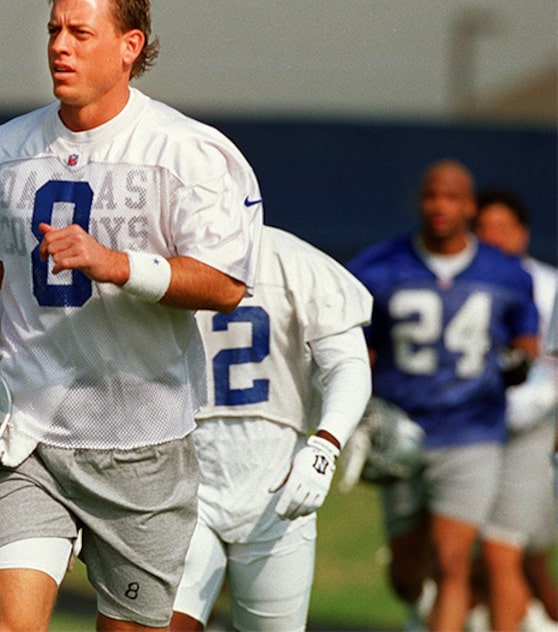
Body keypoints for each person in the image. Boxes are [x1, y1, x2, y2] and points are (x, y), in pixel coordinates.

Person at [0, 0, 263, 631]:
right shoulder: (5, 148)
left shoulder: (188, 152)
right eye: (55, 30)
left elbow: (226, 286)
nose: (59, 46)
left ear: (129, 45)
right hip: (27, 436)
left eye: (80, 33)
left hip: (142, 444)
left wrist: (117, 265)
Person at [346, 159, 539, 632]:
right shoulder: (377, 266)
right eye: (433, 195)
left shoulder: (507, 272)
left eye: (452, 197)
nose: (440, 206)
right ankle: (419, 600)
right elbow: (352, 345)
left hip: (472, 431)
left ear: (469, 205)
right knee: (408, 573)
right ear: (420, 200)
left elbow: (526, 340)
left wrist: (518, 362)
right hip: (402, 430)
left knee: (454, 563)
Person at [169, 225, 372, 632]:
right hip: (183, 469)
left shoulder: (299, 263)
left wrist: (325, 446)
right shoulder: (159, 254)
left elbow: (349, 366)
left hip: (275, 476)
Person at [472, 188, 558, 630]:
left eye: (502, 228)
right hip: (471, 434)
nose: (492, 238)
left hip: (536, 433)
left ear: (522, 234)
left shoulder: (549, 288)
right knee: (508, 561)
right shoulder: (462, 287)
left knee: (501, 550)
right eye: (482, 229)